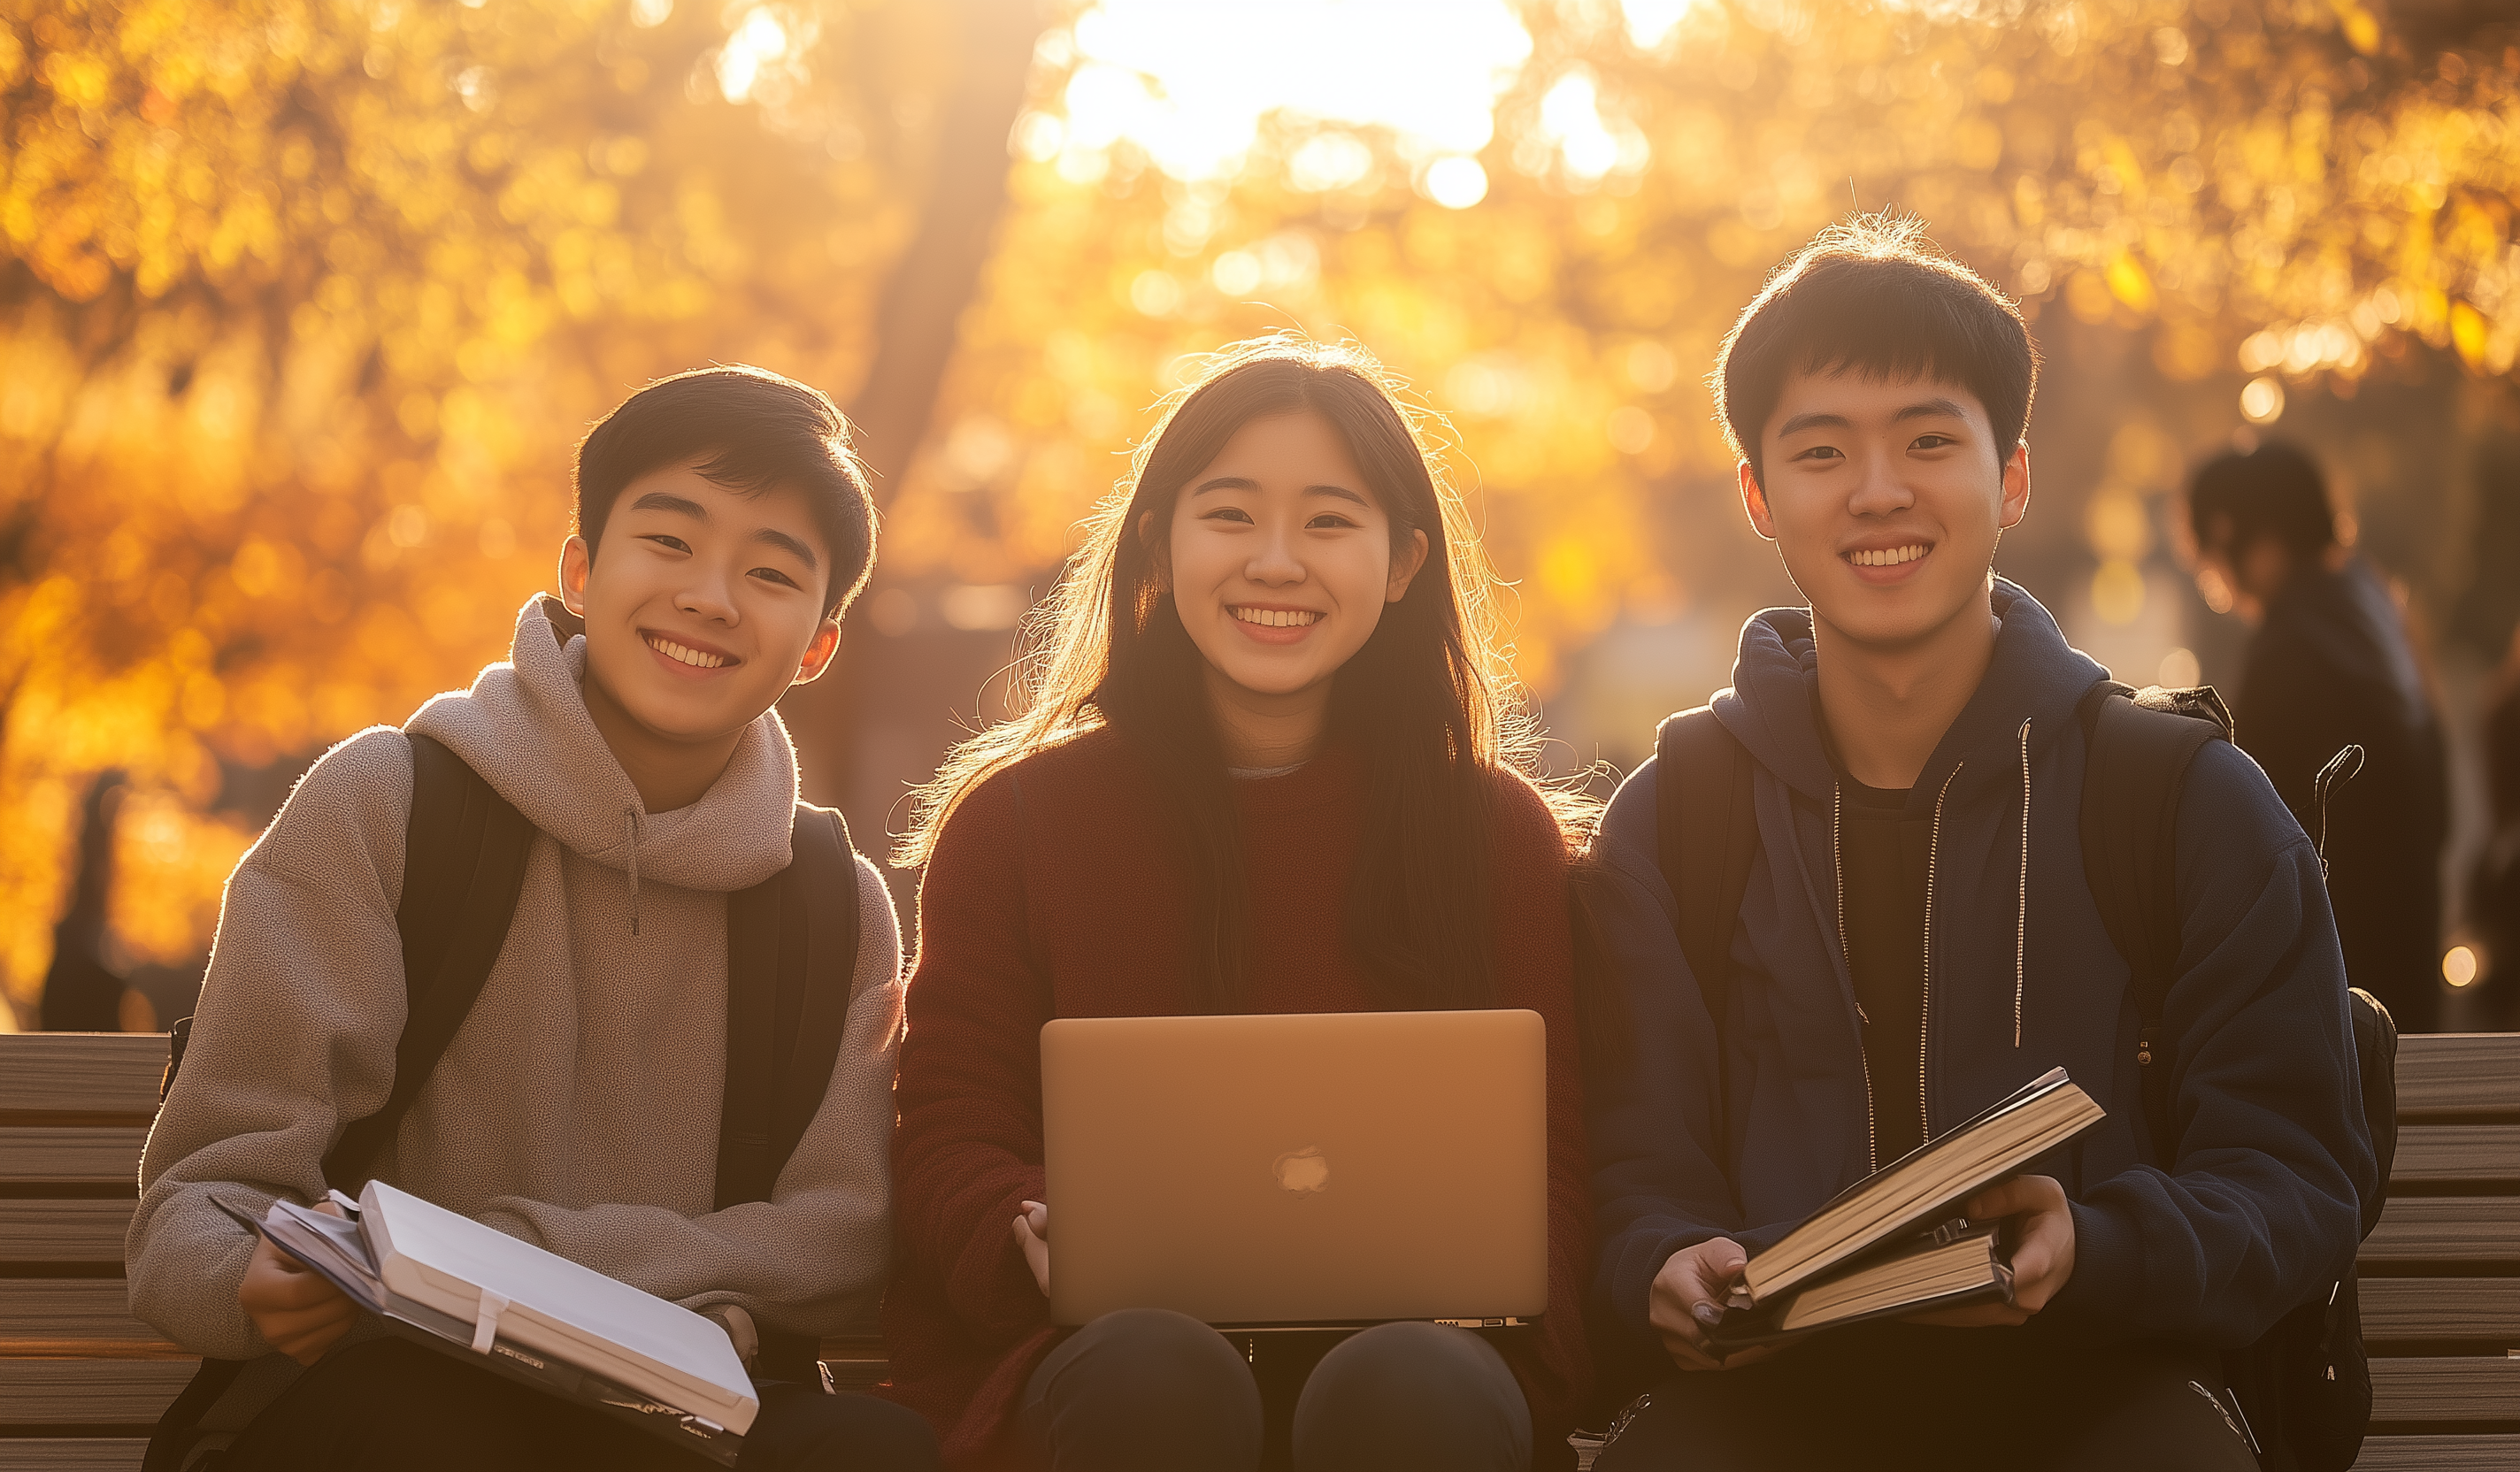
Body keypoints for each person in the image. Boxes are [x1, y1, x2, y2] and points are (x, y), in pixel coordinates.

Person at [1582, 218, 2375, 1470]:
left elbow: (2293, 1174)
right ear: (1760, 497)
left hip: (2104, 1384)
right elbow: (1634, 1158)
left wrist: (2098, 1245)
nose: (1879, 490)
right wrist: (1661, 1259)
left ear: (2011, 480)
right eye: (1822, 451)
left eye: (1929, 442)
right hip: (1768, 1402)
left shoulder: (2181, 800)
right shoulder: (1680, 815)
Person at [125, 366, 937, 1472]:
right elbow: (204, 1193)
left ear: (815, 646)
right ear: (581, 570)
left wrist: (506, 1261)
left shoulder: (830, 898)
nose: (710, 595)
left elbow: (839, 1236)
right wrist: (247, 1278)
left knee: (872, 1448)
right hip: (393, 1401)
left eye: (770, 572)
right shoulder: (388, 804)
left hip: (677, 1418)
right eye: (669, 542)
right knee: (442, 1433)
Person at [880, 337, 1594, 1472]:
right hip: (1106, 1358)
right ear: (1161, 539)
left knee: (1408, 1382)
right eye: (1229, 515)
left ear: (1402, 561)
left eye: (1326, 521)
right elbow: (949, 1129)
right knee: (1156, 1370)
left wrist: (1504, 1299)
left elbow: (1556, 1163)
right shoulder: (1016, 824)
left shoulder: (1494, 835)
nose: (1275, 562)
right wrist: (1026, 1222)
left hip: (1425, 1362)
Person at [2187, 441, 2453, 1031]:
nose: (2212, 572)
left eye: (2210, 547)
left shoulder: (2289, 650)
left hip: (2334, 993)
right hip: (2406, 973)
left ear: (2242, 534)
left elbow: (2250, 838)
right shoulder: (2373, 612)